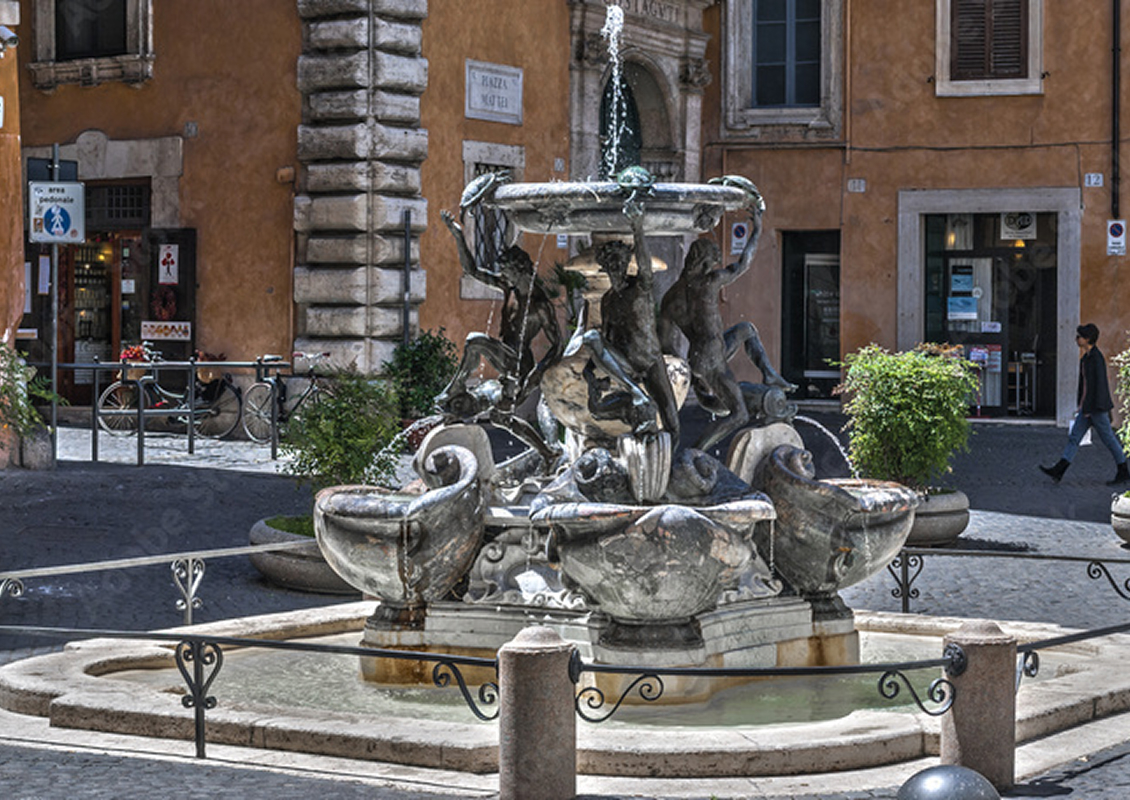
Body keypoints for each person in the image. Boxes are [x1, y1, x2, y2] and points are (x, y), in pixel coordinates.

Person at [1039, 323, 1130, 484]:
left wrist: (1089, 408)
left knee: (1109, 439)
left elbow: (1098, 386)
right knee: (1074, 438)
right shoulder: (1086, 359)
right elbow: (1085, 386)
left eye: (1079, 336)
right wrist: (1081, 406)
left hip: (1096, 408)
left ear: (1087, 339)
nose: (1076, 339)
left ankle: (1124, 470)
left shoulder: (1096, 358)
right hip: (1087, 408)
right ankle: (1059, 470)